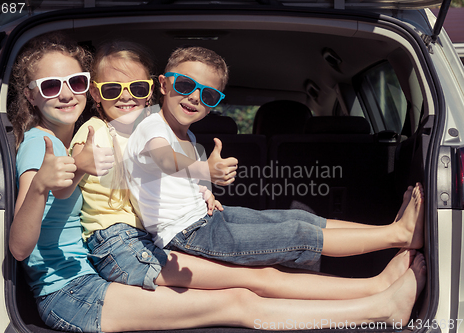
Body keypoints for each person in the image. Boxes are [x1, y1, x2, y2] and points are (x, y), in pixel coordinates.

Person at [7, 33, 426, 332]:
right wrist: (70, 171)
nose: (66, 94)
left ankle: (377, 289)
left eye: (74, 82)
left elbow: (143, 176)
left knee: (262, 276)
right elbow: (36, 227)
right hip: (100, 270)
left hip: (125, 249)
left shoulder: (124, 130)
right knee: (248, 291)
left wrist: (200, 188)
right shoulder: (68, 139)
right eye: (50, 86)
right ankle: (381, 295)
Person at [124, 45, 425, 270]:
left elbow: (164, 178)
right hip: (187, 237)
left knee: (300, 217)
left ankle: (390, 229)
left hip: (204, 220)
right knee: (298, 232)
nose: (194, 98)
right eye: (185, 85)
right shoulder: (151, 126)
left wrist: (203, 193)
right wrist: (205, 169)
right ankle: (399, 235)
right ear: (163, 84)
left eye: (208, 95)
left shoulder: (186, 135)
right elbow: (163, 159)